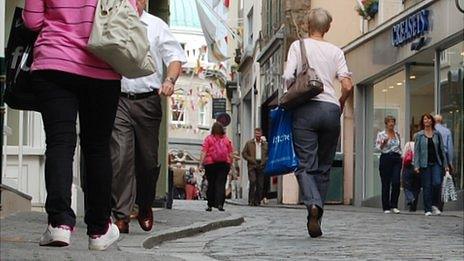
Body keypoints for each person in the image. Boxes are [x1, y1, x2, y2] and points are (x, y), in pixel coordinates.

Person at [23, 0, 138, 250]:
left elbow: (32, 21)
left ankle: (59, 224)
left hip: (54, 64)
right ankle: (98, 230)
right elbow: (131, 15)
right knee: (97, 148)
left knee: (59, 143)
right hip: (102, 68)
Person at [110, 0, 187, 234]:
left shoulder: (156, 25)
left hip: (148, 100)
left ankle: (144, 204)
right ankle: (121, 215)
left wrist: (169, 81)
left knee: (147, 162)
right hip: (118, 98)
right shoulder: (113, 22)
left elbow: (175, 57)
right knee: (120, 157)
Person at [282, 8, 353, 238]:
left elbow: (287, 77)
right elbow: (348, 85)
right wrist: (340, 102)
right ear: (328, 28)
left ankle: (312, 204)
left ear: (307, 25)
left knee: (305, 165)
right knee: (324, 167)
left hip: (306, 109)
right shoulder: (336, 51)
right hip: (331, 110)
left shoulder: (298, 46)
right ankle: (318, 216)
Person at [414, 113, 449, 216]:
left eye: (429, 119)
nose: (427, 121)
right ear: (423, 121)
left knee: (437, 183)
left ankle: (434, 204)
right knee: (427, 186)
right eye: (425, 119)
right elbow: (417, 151)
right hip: (424, 164)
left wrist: (446, 165)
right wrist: (416, 165)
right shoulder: (419, 135)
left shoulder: (437, 134)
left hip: (436, 163)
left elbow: (442, 150)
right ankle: (428, 209)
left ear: (432, 121)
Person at [199, 122, 234, 211]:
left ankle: (210, 204)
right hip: (224, 164)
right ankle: (220, 204)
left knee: (211, 184)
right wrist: (230, 164)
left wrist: (201, 164)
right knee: (221, 184)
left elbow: (204, 152)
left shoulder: (208, 139)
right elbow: (230, 153)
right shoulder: (226, 140)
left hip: (210, 164)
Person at [375, 115, 402, 214]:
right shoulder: (381, 134)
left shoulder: (397, 134)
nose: (391, 124)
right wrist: (384, 143)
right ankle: (386, 207)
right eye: (389, 122)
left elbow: (399, 146)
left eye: (393, 122)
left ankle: (394, 204)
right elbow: (378, 148)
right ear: (386, 124)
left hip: (396, 158)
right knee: (386, 183)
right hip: (386, 157)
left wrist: (401, 155)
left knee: (396, 182)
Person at [242, 128, 268, 206]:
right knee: (253, 181)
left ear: (261, 134)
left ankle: (257, 200)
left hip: (261, 164)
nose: (257, 135)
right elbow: (244, 153)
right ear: (254, 134)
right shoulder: (249, 143)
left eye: (259, 133)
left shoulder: (265, 144)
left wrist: (265, 160)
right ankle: (251, 200)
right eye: (256, 133)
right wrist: (250, 159)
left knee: (260, 184)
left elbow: (268, 154)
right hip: (252, 165)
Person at [402, 134, 421, 212]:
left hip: (408, 167)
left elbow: (403, 156)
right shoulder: (421, 146)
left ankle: (410, 198)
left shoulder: (408, 144)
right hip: (419, 168)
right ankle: (413, 207)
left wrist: (402, 169)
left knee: (406, 185)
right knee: (416, 188)